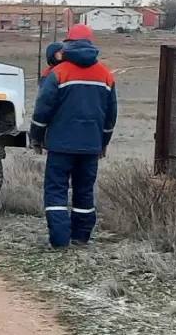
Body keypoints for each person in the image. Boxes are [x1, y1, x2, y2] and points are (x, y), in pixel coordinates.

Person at [29, 24, 119, 248]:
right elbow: (110, 117)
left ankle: (60, 240)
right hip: (91, 147)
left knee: (56, 190)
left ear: (67, 44)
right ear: (91, 44)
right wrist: (103, 143)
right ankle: (81, 237)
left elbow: (42, 110)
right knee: (84, 191)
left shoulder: (59, 73)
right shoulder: (106, 75)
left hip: (60, 146)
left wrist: (37, 137)